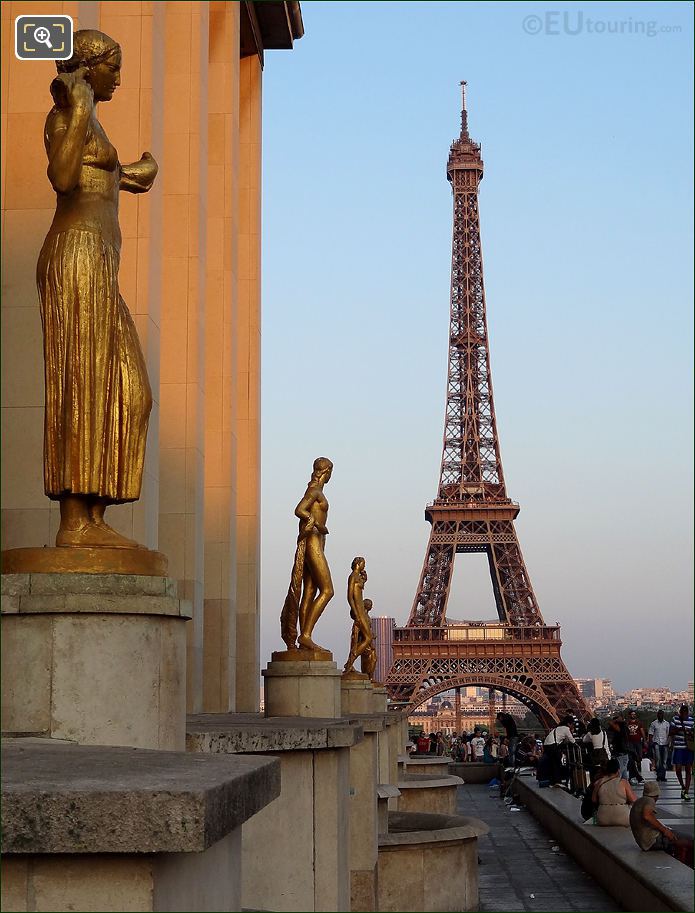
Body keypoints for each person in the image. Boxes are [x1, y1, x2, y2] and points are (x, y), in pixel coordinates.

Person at [38, 30, 158, 548]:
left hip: (100, 264)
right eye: (114, 67)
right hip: (76, 256)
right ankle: (74, 522)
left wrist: (132, 173)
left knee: (130, 392)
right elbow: (64, 176)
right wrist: (82, 110)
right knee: (81, 384)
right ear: (91, 68)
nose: (120, 77)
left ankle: (96, 512)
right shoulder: (67, 112)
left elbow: (95, 173)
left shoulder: (91, 119)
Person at [280, 457, 334, 652]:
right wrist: (318, 524)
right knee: (328, 590)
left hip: (317, 541)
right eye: (330, 472)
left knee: (310, 592)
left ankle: (305, 638)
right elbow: (299, 510)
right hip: (313, 542)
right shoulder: (315, 491)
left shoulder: (317, 491)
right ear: (326, 471)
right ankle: (306, 635)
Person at [630, 781, 694, 868]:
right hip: (652, 841)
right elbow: (647, 815)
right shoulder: (650, 800)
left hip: (644, 842)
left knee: (680, 836)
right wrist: (665, 830)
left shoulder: (639, 801)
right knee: (689, 840)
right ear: (657, 794)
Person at [343, 557, 373, 674]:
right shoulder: (352, 577)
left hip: (361, 611)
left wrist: (364, 580)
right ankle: (350, 662)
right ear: (358, 564)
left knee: (364, 638)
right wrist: (355, 611)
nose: (364, 566)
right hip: (359, 612)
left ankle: (349, 663)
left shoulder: (358, 577)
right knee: (367, 638)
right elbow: (350, 596)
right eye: (363, 563)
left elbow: (358, 591)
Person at [593, 758, 636, 827]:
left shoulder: (599, 782)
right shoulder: (623, 782)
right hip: (623, 817)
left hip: (603, 818)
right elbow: (633, 799)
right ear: (618, 770)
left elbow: (594, 800)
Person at [670, 703, 694, 801]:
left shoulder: (692, 721)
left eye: (685, 713)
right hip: (678, 747)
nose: (684, 715)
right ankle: (682, 785)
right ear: (680, 713)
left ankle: (686, 791)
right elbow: (670, 732)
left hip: (688, 748)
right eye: (682, 713)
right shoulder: (675, 719)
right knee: (678, 769)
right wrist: (679, 729)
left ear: (688, 713)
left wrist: (690, 732)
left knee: (688, 769)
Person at [543, 716, 576, 787]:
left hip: (547, 745)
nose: (573, 726)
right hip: (552, 746)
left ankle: (552, 782)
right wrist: (572, 732)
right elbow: (572, 741)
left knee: (552, 764)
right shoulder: (566, 729)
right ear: (569, 724)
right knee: (557, 763)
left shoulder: (558, 728)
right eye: (572, 724)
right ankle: (557, 781)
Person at [648, 710, 671, 783]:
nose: (660, 715)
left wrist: (669, 743)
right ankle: (658, 775)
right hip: (657, 743)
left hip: (665, 744)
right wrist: (650, 743)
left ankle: (663, 776)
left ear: (663, 715)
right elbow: (650, 733)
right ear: (657, 715)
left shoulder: (667, 724)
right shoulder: (654, 723)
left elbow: (669, 734)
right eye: (659, 714)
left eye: (661, 714)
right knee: (658, 760)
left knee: (664, 761)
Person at [607, 712, 631, 781]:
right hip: (624, 751)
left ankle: (618, 783)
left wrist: (615, 720)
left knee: (620, 770)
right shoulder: (625, 728)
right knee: (624, 770)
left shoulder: (620, 728)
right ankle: (625, 785)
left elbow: (610, 723)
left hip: (619, 751)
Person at [626, 710, 645, 783]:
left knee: (639, 757)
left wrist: (644, 740)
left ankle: (639, 772)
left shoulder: (639, 722)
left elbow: (642, 730)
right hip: (630, 742)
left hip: (638, 742)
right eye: (632, 714)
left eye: (634, 714)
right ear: (629, 715)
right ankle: (633, 775)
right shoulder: (627, 723)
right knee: (632, 759)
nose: (633, 715)